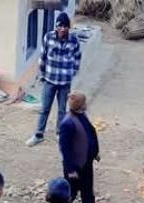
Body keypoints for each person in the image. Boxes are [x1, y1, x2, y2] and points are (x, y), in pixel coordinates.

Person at [28, 13, 82, 147]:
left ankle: (60, 133)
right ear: (56, 26)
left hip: (64, 82)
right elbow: (43, 56)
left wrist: (73, 72)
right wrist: (42, 72)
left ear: (68, 28)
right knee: (45, 108)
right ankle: (38, 134)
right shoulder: (48, 37)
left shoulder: (74, 40)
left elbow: (77, 57)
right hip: (49, 80)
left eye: (65, 26)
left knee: (62, 110)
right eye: (60, 26)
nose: (63, 29)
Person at [58, 92, 103, 203]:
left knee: (88, 193)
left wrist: (95, 151)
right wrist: (70, 169)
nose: (86, 104)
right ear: (80, 104)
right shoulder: (67, 123)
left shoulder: (81, 115)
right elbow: (64, 149)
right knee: (70, 195)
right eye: (84, 101)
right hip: (75, 167)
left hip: (86, 164)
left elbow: (90, 132)